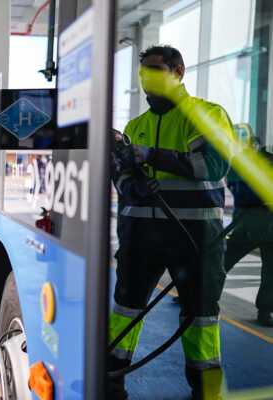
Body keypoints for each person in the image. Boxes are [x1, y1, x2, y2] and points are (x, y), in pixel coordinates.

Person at [108, 45, 233, 400]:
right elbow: (118, 176)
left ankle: (206, 389)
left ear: (178, 72)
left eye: (156, 69)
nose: (148, 77)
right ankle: (111, 378)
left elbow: (214, 165)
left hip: (195, 237)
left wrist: (153, 156)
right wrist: (133, 187)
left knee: (201, 316)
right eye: (144, 71)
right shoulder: (135, 126)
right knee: (125, 309)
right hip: (140, 236)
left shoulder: (206, 114)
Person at [224, 136, 273, 327]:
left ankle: (265, 310)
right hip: (247, 228)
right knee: (221, 263)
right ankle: (197, 295)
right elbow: (238, 189)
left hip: (269, 231)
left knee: (271, 273)